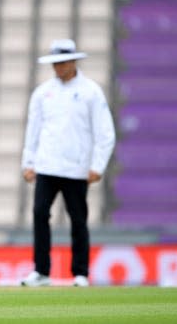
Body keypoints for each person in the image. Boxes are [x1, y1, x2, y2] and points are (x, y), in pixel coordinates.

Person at [20, 39, 115, 287]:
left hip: (77, 168)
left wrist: (98, 165)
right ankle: (41, 271)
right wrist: (28, 163)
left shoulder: (91, 91)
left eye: (63, 63)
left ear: (74, 61)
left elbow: (105, 132)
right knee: (40, 213)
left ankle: (80, 273)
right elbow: (34, 130)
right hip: (46, 165)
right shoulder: (42, 93)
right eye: (55, 63)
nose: (59, 68)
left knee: (78, 218)